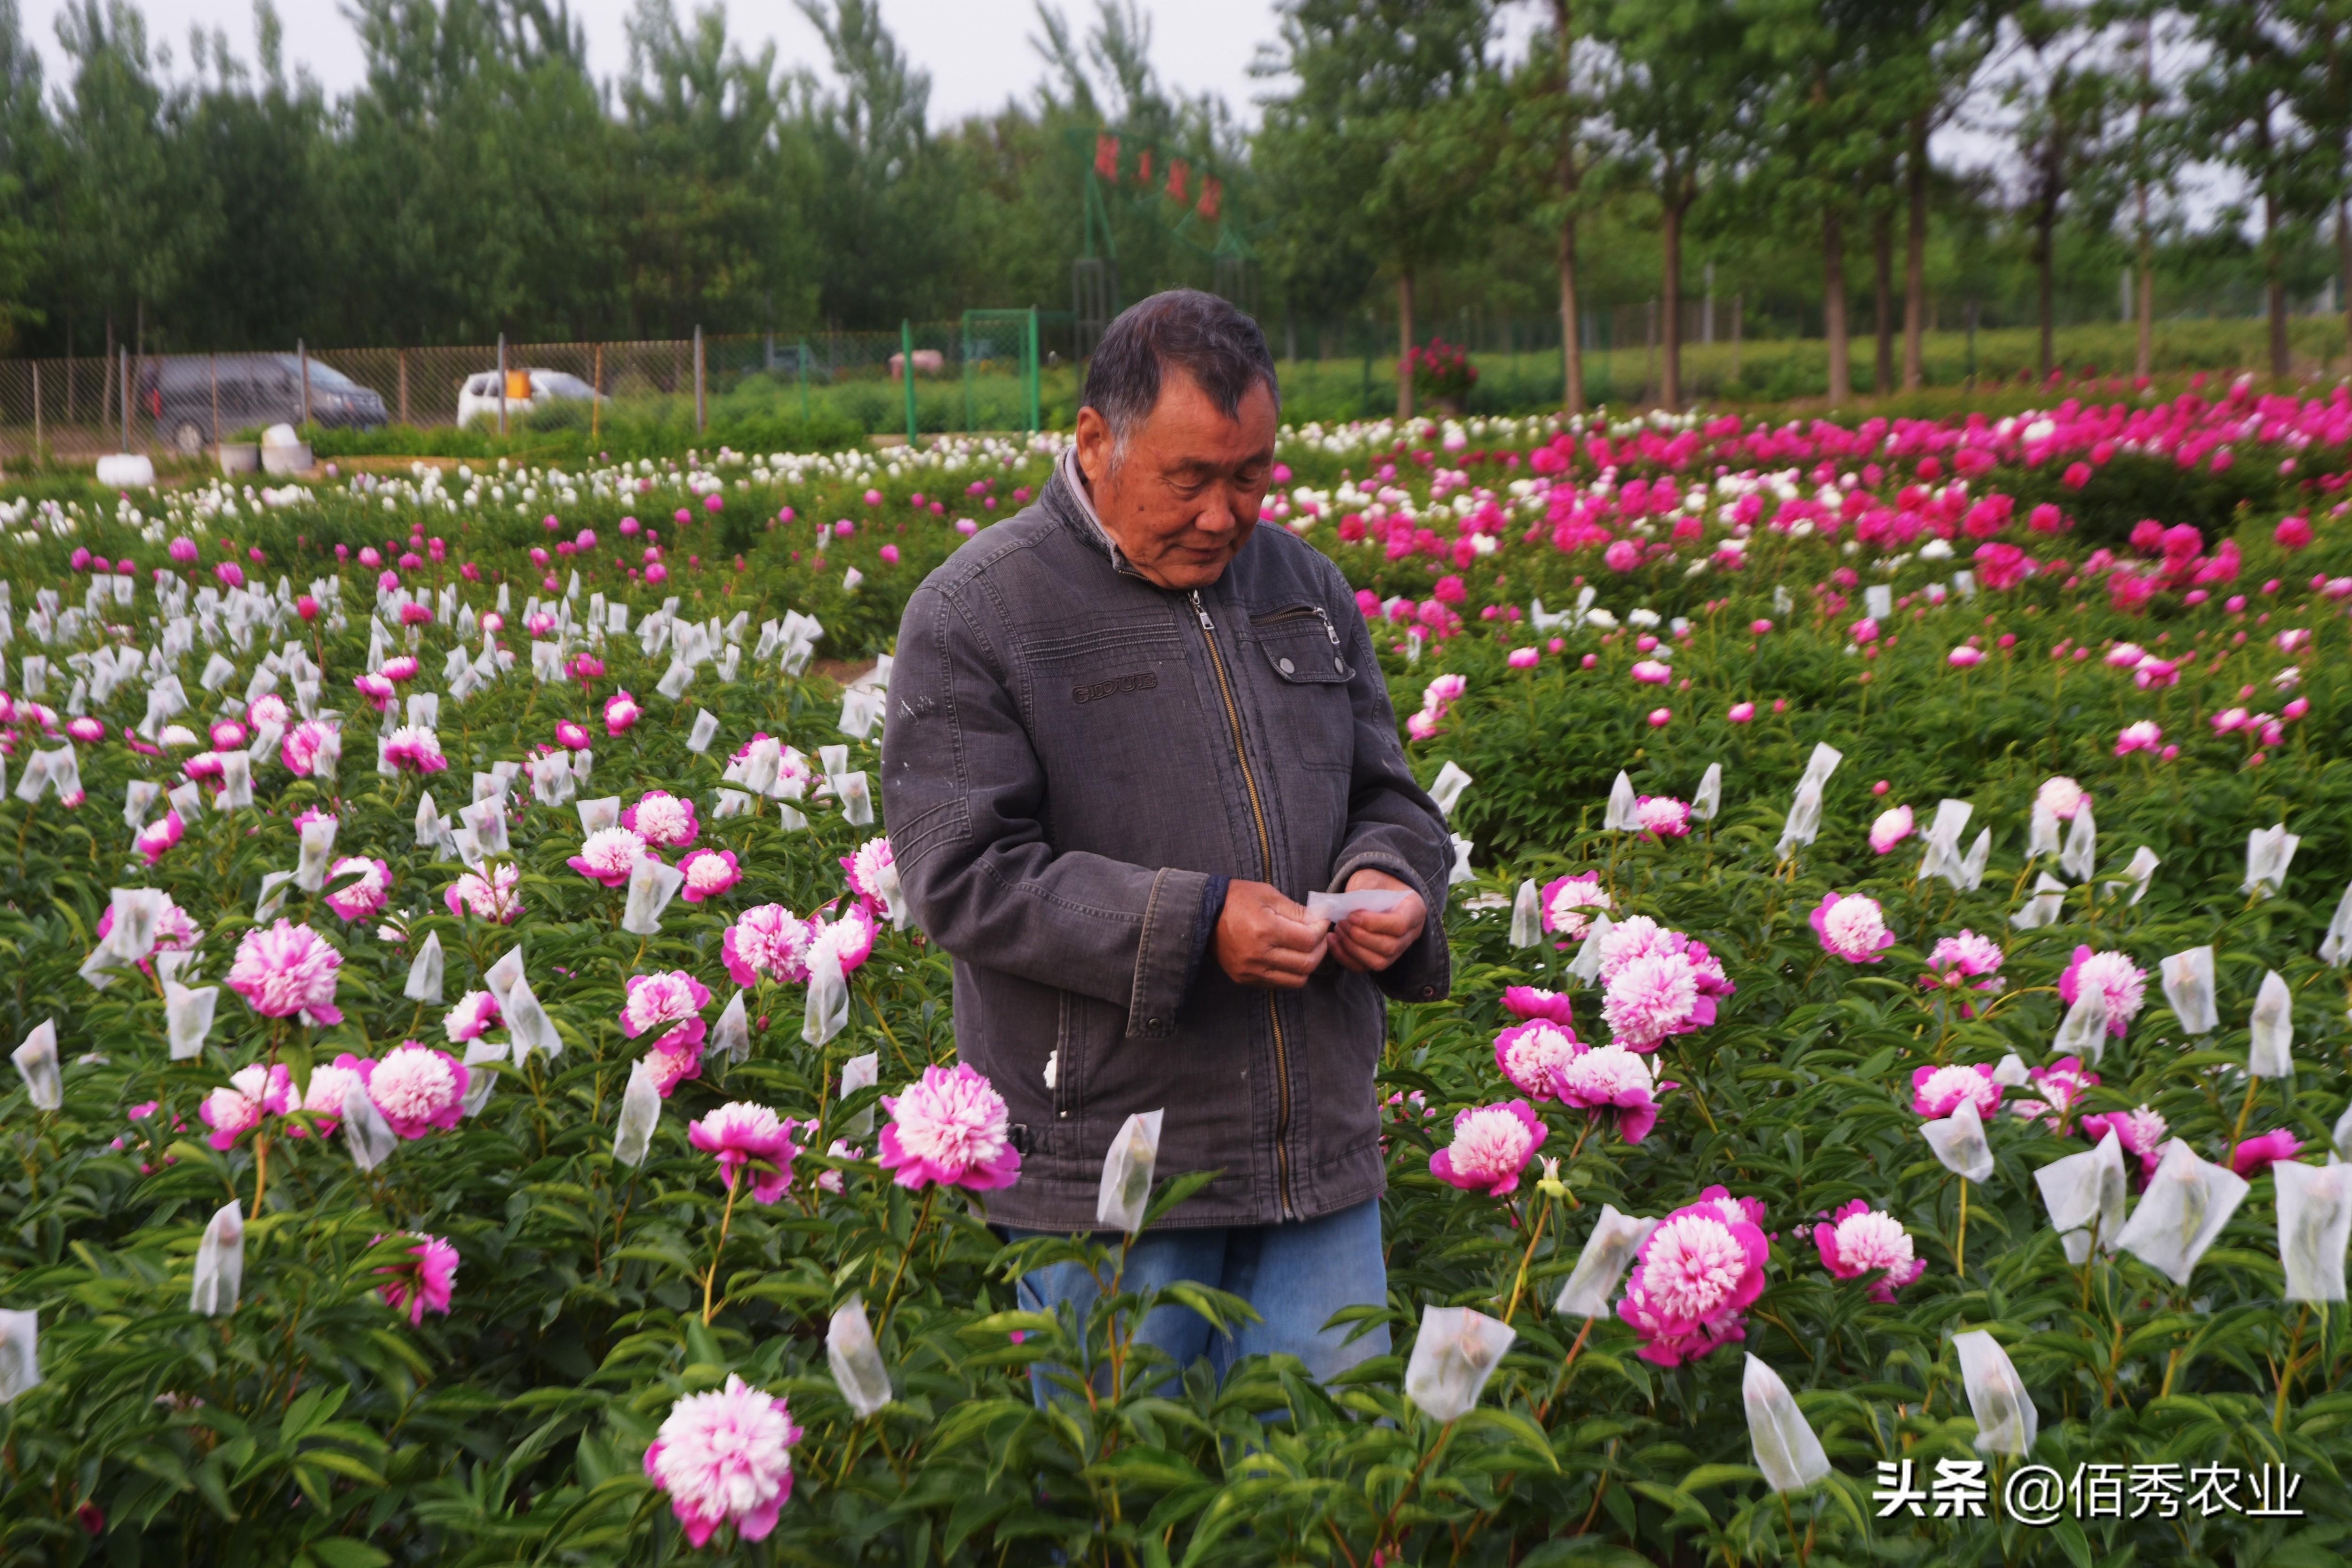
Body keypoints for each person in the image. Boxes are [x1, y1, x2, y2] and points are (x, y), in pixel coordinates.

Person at [880, 289, 1453, 1394]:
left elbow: (1391, 792)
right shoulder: (981, 613)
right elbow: (963, 874)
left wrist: (1386, 871)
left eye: (1251, 476)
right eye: (1189, 478)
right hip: (1114, 1175)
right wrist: (1194, 925)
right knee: (1118, 1496)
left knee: (1317, 1495)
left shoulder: (1303, 588)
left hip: (1314, 1160)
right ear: (1094, 440)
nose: (1224, 513)